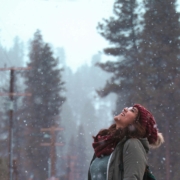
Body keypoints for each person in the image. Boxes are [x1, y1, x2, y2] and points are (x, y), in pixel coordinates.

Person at [88, 104, 164, 180]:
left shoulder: (132, 144)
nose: (125, 109)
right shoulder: (104, 145)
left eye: (132, 110)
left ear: (137, 123)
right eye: (129, 107)